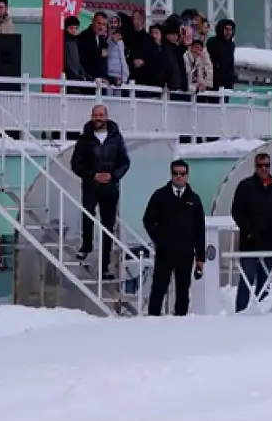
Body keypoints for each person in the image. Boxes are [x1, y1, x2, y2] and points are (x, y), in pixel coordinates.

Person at [70, 104, 130, 279]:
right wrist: (93, 175)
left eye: (101, 115)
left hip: (110, 187)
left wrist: (112, 176)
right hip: (91, 186)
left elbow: (124, 162)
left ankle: (105, 265)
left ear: (106, 117)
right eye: (95, 115)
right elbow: (76, 164)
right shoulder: (84, 139)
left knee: (108, 225)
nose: (98, 118)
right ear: (91, 116)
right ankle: (86, 246)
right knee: (88, 215)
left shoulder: (116, 138)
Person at [142, 159, 206, 316]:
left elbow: (200, 229)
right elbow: (148, 220)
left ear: (187, 175)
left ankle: (180, 322)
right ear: (171, 174)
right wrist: (159, 240)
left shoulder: (194, 200)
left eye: (182, 174)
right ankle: (153, 320)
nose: (178, 177)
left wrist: (200, 257)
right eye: (175, 173)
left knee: (183, 290)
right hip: (165, 252)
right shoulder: (160, 196)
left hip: (185, 252)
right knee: (159, 289)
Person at [230, 152, 272, 312]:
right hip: (249, 245)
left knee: (264, 282)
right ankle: (240, 313)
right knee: (246, 280)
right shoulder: (245, 186)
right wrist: (248, 232)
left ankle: (261, 312)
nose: (264, 169)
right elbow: (237, 211)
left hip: (270, 245)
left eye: (267, 165)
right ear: (255, 167)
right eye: (260, 165)